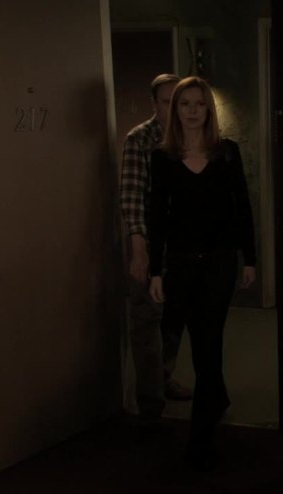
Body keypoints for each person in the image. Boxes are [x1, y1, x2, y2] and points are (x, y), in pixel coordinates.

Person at [147, 76, 256, 469]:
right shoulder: (163, 158)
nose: (192, 111)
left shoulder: (227, 153)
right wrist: (155, 271)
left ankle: (201, 440)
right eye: (184, 104)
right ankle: (218, 398)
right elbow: (157, 216)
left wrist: (250, 258)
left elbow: (242, 207)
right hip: (180, 263)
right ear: (174, 110)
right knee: (197, 341)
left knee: (209, 345)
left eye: (199, 103)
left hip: (219, 262)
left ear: (209, 109)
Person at [119, 73, 193, 427]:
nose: (173, 108)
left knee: (174, 316)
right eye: (166, 101)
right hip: (150, 241)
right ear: (154, 104)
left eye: (177, 101)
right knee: (146, 320)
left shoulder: (190, 136)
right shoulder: (140, 138)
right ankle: (150, 404)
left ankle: (164, 377)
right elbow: (132, 197)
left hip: (183, 244)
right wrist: (139, 249)